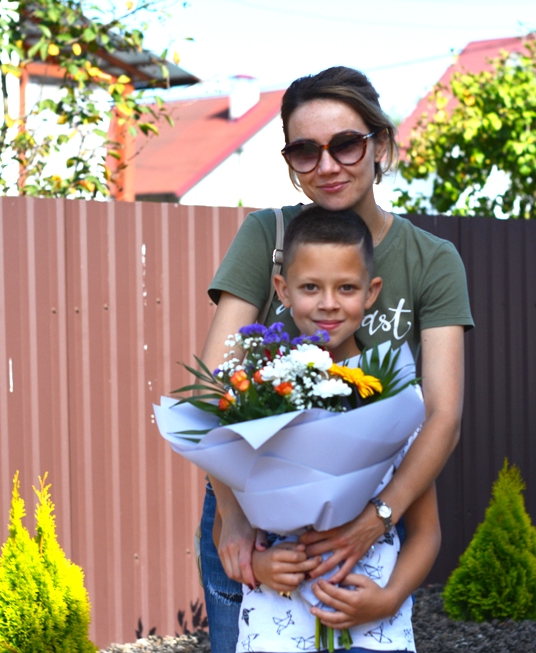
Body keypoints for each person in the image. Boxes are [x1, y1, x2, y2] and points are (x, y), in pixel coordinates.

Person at [199, 66, 473, 653]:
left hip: (377, 504)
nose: (326, 166)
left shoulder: (430, 259)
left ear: (380, 145)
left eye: (346, 144)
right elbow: (213, 389)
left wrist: (376, 519)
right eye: (305, 150)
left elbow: (442, 415)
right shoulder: (267, 236)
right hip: (253, 513)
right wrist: (235, 519)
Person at [237, 206, 440, 653]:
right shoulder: (257, 395)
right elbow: (230, 529)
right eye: (310, 287)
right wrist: (260, 565)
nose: (328, 303)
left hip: (374, 632)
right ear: (282, 290)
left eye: (346, 287)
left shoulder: (395, 396)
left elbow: (427, 532)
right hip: (275, 632)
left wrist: (389, 599)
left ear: (371, 292)